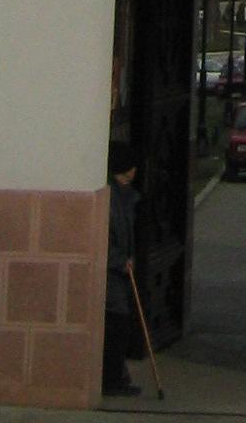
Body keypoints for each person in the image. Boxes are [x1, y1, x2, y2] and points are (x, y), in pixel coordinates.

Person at [103, 142, 143, 397]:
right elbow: (104, 239)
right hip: (111, 272)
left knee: (121, 322)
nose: (131, 174)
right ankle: (111, 378)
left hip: (119, 269)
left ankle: (117, 374)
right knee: (117, 323)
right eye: (126, 170)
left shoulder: (126, 196)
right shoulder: (110, 198)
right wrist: (121, 260)